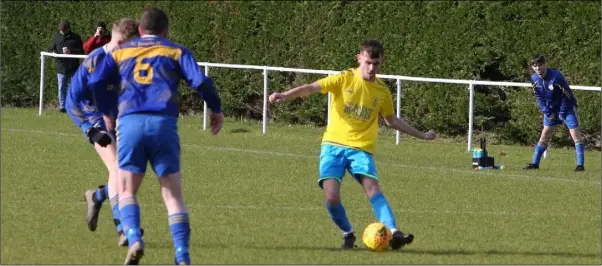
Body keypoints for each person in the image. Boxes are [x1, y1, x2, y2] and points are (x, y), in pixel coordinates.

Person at [268, 40, 436, 250]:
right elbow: (312, 87)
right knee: (331, 196)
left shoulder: (382, 91)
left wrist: (421, 135)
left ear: (382, 62)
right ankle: (348, 234)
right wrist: (285, 95)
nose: (372, 68)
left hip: (361, 148)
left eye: (377, 63)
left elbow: (391, 120)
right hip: (333, 145)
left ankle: (394, 232)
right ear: (359, 58)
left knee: (372, 188)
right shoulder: (344, 79)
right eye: (368, 62)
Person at [88, 7, 224, 265]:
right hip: (163, 124)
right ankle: (182, 255)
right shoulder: (175, 50)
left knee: (127, 190)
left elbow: (96, 81)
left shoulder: (121, 51)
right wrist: (215, 109)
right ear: (166, 31)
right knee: (173, 195)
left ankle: (133, 236)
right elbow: (201, 81)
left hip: (129, 124)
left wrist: (107, 111)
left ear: (140, 30)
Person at [65, 18, 141, 247]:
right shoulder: (94, 61)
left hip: (120, 121)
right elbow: (71, 101)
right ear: (119, 42)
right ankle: (123, 228)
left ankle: (97, 196)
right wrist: (88, 130)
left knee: (129, 173)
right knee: (118, 169)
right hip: (96, 121)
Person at [523, 54, 585, 172]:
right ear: (532, 67)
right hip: (551, 110)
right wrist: (547, 112)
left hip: (567, 108)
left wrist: (561, 113)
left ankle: (580, 166)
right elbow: (539, 97)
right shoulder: (534, 79)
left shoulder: (557, 77)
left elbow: (566, 96)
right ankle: (535, 164)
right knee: (545, 135)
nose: (537, 68)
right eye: (535, 66)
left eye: (540, 65)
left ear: (545, 64)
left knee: (575, 135)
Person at [47, 20, 84, 112]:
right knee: (61, 88)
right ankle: (62, 107)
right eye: (61, 30)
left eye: (63, 30)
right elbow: (50, 49)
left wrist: (70, 52)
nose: (62, 32)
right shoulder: (57, 37)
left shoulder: (76, 37)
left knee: (74, 88)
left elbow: (81, 51)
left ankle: (73, 106)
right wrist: (54, 53)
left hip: (73, 67)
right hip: (61, 67)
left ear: (68, 29)